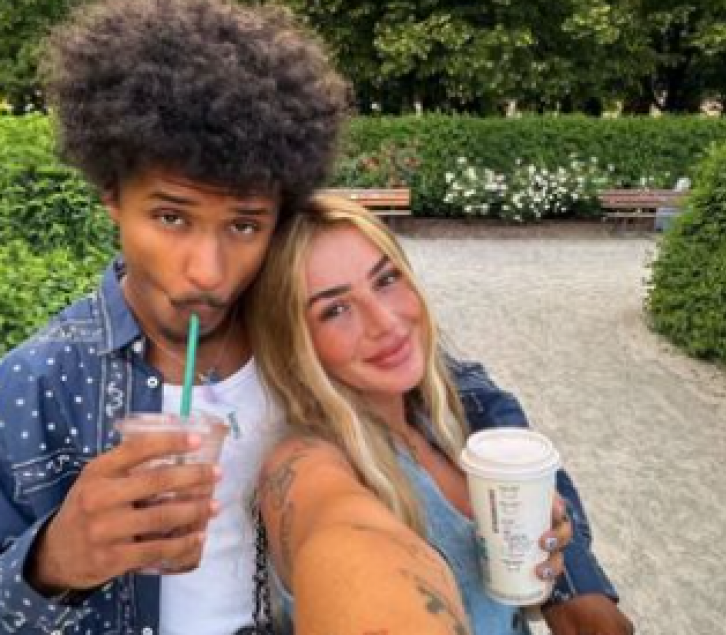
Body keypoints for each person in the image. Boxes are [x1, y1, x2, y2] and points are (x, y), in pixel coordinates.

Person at [0, 0, 624, 633]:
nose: (208, 271)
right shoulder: (40, 382)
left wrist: (573, 577)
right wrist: (53, 559)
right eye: (171, 217)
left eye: (244, 225)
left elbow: (472, 402)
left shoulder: (306, 325)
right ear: (111, 195)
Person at [249, 196, 634, 634]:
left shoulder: (446, 415)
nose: (386, 322)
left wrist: (553, 564)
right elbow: (339, 537)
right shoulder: (304, 463)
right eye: (335, 310)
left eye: (386, 280)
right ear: (294, 346)